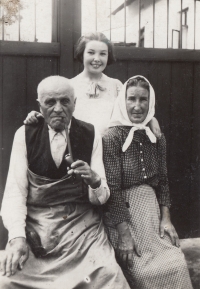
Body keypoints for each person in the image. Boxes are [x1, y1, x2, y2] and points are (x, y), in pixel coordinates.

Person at [0, 76, 130, 289]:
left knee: (109, 275)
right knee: (6, 280)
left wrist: (95, 180)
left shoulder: (91, 133)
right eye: (50, 102)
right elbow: (15, 194)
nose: (58, 109)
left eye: (65, 101)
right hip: (39, 228)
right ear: (39, 105)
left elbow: (101, 198)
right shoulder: (24, 135)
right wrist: (16, 238)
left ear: (75, 103)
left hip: (82, 229)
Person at [102, 75, 193, 289]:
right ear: (122, 102)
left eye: (143, 100)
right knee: (142, 271)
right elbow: (113, 190)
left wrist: (166, 219)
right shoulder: (111, 137)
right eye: (131, 99)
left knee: (176, 263)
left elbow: (163, 180)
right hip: (123, 217)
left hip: (151, 214)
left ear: (150, 102)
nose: (137, 106)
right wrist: (124, 235)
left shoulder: (156, 136)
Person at [24, 32, 161, 137]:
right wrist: (37, 116)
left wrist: (151, 119)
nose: (97, 59)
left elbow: (131, 113)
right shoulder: (69, 86)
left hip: (111, 152)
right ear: (82, 54)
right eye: (91, 53)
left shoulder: (116, 85)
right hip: (79, 148)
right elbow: (57, 112)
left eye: (103, 54)